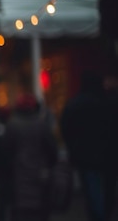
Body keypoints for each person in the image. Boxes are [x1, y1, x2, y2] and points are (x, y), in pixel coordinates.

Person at [60, 71, 116, 221]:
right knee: (107, 191)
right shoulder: (108, 102)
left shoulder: (75, 104)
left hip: (85, 157)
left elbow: (66, 129)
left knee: (93, 192)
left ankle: (98, 215)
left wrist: (73, 149)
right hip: (108, 155)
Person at [1, 93, 58, 221]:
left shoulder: (12, 125)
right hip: (40, 179)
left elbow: (4, 153)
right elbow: (53, 151)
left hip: (18, 181)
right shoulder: (41, 125)